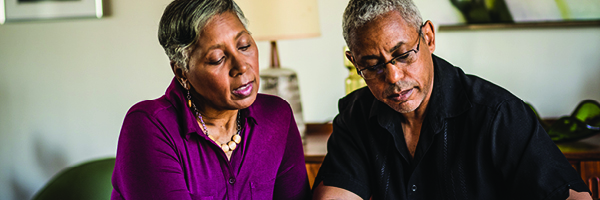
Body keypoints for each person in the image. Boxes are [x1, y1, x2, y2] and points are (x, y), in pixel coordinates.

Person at [313, 0, 592, 199]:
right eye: (373, 65)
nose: (394, 77)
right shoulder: (356, 117)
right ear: (352, 61)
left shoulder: (497, 114)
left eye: (403, 54)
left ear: (428, 37)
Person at [110, 0, 310, 199]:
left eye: (244, 46)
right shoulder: (149, 125)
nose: (241, 67)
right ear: (182, 73)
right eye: (217, 59)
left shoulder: (277, 116)